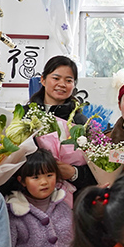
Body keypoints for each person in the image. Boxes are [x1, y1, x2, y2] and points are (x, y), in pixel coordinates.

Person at [27, 55, 93, 188]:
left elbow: (96, 170)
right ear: (43, 80)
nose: (62, 84)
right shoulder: (25, 115)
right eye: (56, 78)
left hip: (71, 197)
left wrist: (74, 173)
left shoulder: (80, 122)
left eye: (68, 80)